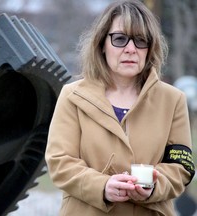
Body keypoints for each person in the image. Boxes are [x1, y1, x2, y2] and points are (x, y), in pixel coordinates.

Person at [45, 0, 195, 215]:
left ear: (150, 48)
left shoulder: (173, 100)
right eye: (120, 39)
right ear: (102, 45)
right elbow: (60, 163)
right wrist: (102, 186)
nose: (131, 49)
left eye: (141, 40)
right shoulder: (73, 96)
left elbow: (181, 168)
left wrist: (153, 186)